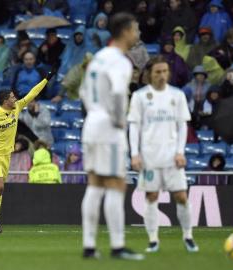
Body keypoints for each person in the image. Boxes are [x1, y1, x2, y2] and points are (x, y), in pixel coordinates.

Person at [80, 13, 144, 260]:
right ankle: (117, 246)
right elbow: (119, 93)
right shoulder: (120, 61)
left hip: (92, 123)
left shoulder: (98, 58)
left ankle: (89, 246)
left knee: (95, 184)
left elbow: (84, 92)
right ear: (126, 31)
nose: (137, 34)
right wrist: (119, 120)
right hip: (109, 126)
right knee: (117, 184)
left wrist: (96, 112)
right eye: (136, 29)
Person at [0, 65, 56, 233]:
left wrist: (46, 79)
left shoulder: (16, 108)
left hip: (6, 155)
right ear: (5, 101)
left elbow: (33, 93)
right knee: (0, 186)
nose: (15, 98)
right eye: (12, 97)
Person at [128, 56, 198, 253]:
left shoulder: (177, 96)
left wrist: (180, 152)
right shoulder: (140, 97)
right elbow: (134, 127)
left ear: (169, 73)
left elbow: (182, 125)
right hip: (149, 157)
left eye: (164, 71)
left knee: (182, 196)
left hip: (171, 157)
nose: (161, 75)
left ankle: (188, 236)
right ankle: (153, 240)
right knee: (151, 196)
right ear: (150, 74)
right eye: (157, 72)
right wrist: (135, 154)